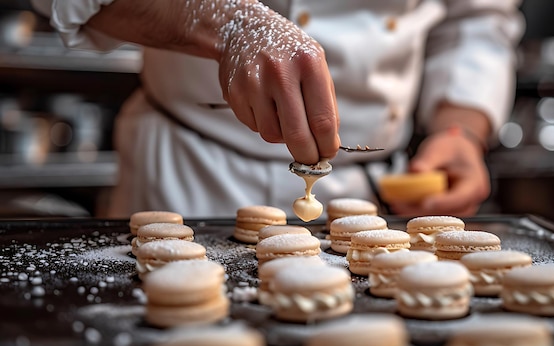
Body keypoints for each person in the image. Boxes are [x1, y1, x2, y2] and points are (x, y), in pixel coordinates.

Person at [33, 0, 524, 218]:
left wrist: (459, 129)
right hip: (188, 174)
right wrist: (228, 23)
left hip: (368, 191)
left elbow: (477, 20)